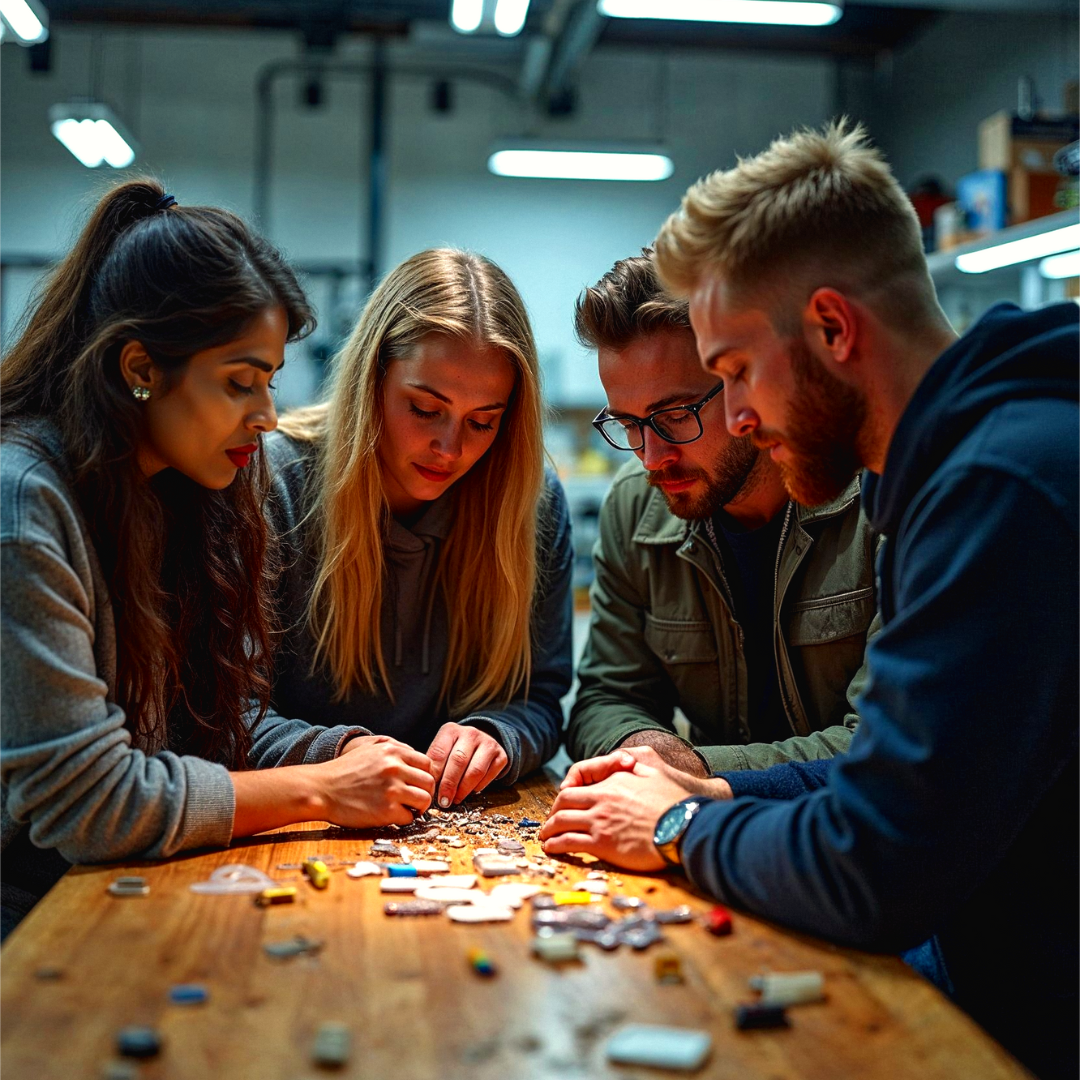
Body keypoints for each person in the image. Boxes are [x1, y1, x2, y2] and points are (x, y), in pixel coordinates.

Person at [540, 122, 1078, 1080]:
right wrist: (713, 790)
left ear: (832, 329)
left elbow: (877, 864)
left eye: (737, 372)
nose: (738, 417)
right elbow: (895, 777)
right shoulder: (974, 461)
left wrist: (676, 826)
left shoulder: (1002, 487)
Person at [0, 180, 437, 938]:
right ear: (140, 366)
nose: (266, 415)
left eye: (268, 381)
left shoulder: (180, 489)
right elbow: (88, 801)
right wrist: (321, 789)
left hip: (121, 881)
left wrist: (344, 752)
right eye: (240, 382)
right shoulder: (23, 507)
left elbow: (209, 720)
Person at [264, 248, 573, 810]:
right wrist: (341, 760)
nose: (451, 449)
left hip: (454, 815)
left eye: (483, 422)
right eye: (425, 409)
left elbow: (541, 700)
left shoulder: (532, 503)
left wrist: (498, 735)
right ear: (372, 379)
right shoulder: (271, 485)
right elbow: (223, 716)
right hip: (295, 819)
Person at [567, 251, 879, 775]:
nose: (651, 457)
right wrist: (646, 746)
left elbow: (885, 748)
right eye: (627, 423)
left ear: (746, 380)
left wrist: (693, 773)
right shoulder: (635, 503)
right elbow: (604, 698)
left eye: (674, 415)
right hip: (710, 840)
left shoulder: (883, 499)